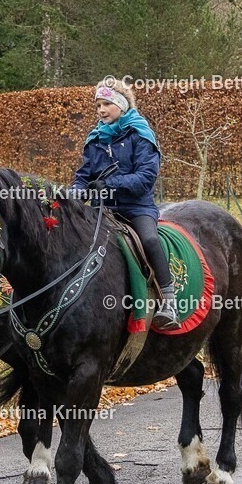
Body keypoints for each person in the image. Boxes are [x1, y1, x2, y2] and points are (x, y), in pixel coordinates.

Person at [71, 79, 180, 329]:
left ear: (121, 104)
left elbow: (145, 178)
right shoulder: (95, 138)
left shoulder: (140, 133)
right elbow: (83, 176)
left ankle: (170, 302)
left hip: (137, 208)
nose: (100, 110)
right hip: (101, 209)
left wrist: (110, 184)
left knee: (150, 241)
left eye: (106, 103)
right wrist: (74, 194)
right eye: (98, 104)